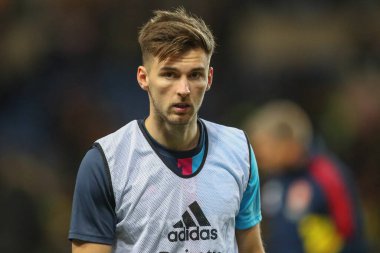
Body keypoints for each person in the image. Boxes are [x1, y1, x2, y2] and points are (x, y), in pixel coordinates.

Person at [69, 7, 265, 253]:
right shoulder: (106, 163)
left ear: (210, 78)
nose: (183, 89)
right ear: (143, 78)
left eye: (195, 75)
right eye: (169, 75)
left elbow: (251, 247)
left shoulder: (239, 152)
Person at [244, 100, 367, 253]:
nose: (257, 155)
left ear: (286, 141)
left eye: (262, 146)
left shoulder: (326, 174)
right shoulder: (271, 179)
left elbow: (350, 233)